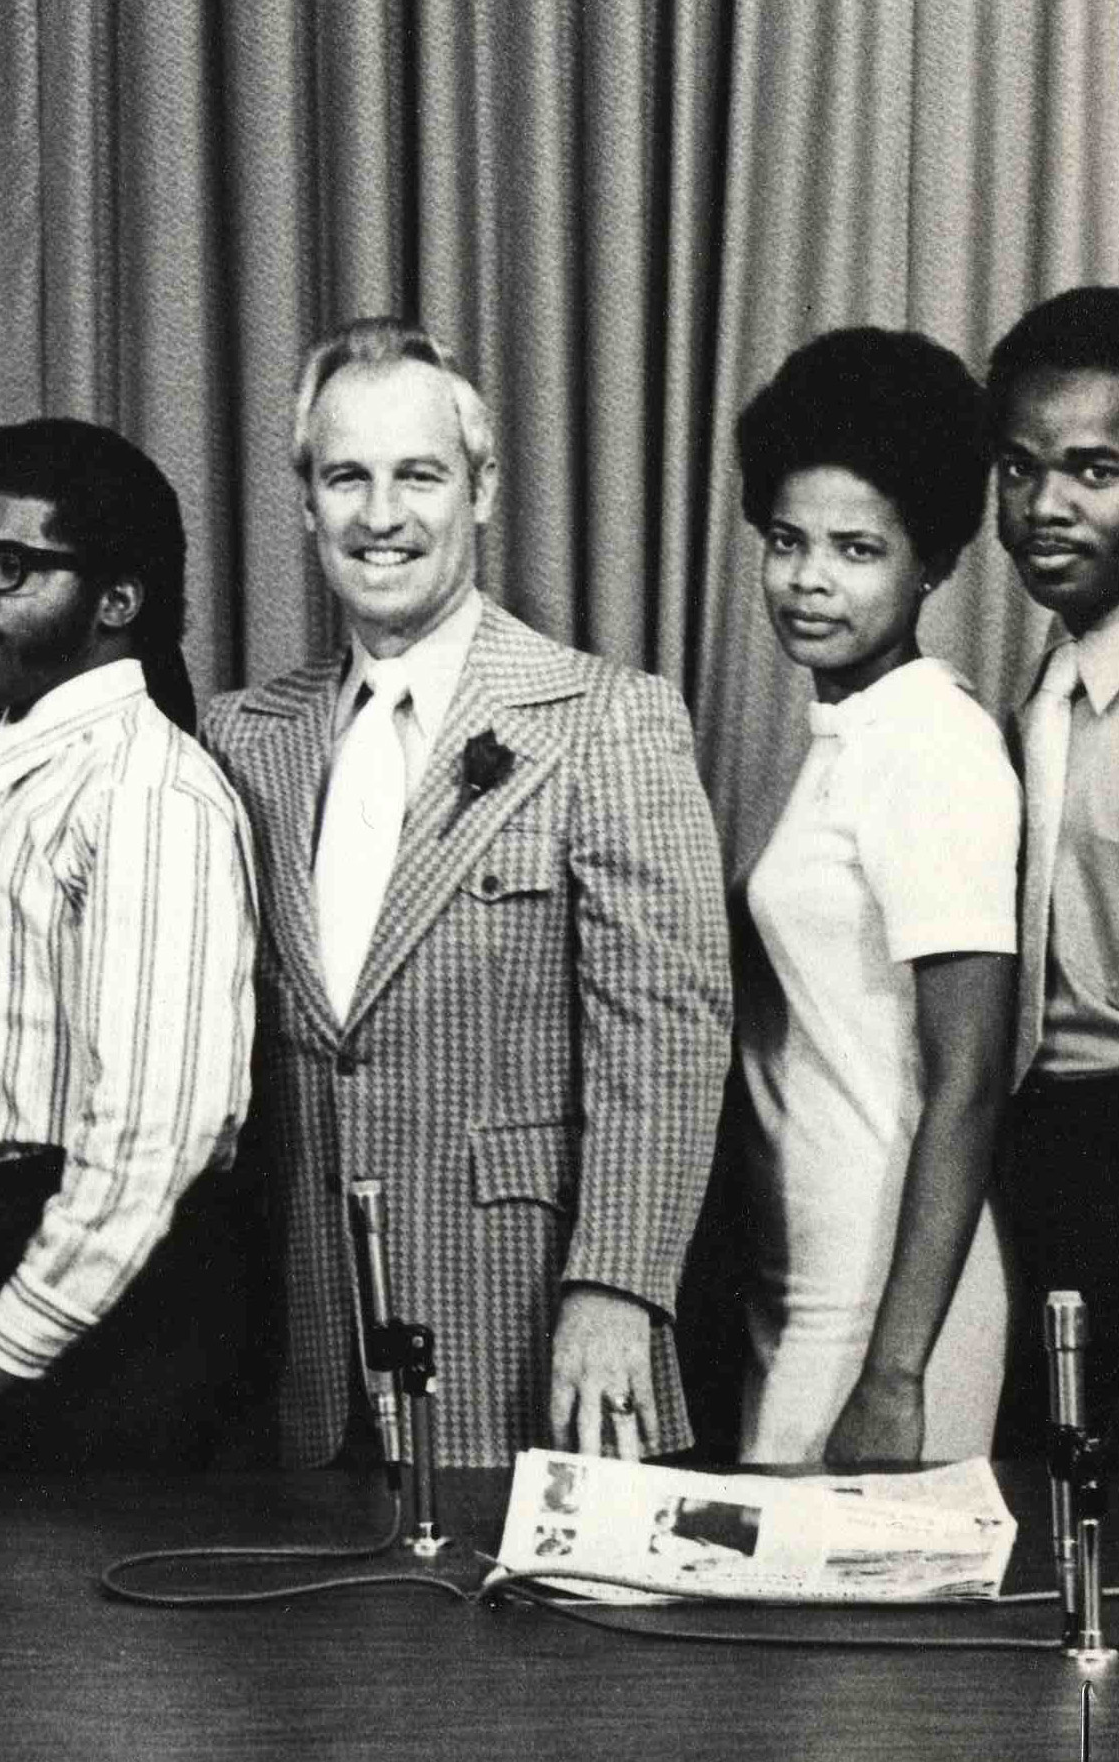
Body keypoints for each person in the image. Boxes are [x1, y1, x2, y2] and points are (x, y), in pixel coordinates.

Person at [200, 320, 731, 1468]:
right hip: (299, 1368)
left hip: (528, 1341)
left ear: (480, 488)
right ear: (303, 502)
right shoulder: (243, 738)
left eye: (416, 476)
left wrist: (617, 1291)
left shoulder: (604, 720)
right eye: (344, 477)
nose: (378, 515)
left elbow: (668, 1041)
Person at [0, 418, 258, 1470]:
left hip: (99, 1300)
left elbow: (155, 1131)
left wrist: (8, 1344)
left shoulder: (147, 794)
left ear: (116, 601)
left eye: (11, 569)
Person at [728, 329, 1013, 1465]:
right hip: (803, 1277)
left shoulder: (929, 742)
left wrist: (894, 1374)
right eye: (785, 541)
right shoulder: (844, 734)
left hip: (884, 1302)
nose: (807, 579)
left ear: (930, 562)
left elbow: (969, 1080)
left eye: (855, 548)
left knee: (845, 1641)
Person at [990, 286, 1119, 1428]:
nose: (1046, 505)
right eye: (1022, 468)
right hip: (1047, 1146)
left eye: (1094, 471)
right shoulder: (1048, 678)